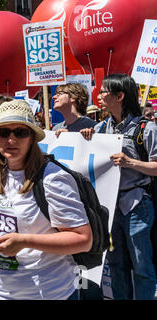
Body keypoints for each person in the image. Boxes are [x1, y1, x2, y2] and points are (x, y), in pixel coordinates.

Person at [0, 99, 92, 300]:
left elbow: (83, 239)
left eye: (20, 132)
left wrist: (24, 241)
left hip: (48, 293)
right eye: (4, 132)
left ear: (32, 137)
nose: (11, 140)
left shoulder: (53, 178)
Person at [80, 74, 157, 300]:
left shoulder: (147, 128)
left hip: (137, 206)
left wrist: (130, 162)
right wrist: (84, 136)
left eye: (104, 91)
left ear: (120, 96)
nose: (99, 96)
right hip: (110, 207)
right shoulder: (102, 127)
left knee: (142, 266)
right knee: (115, 264)